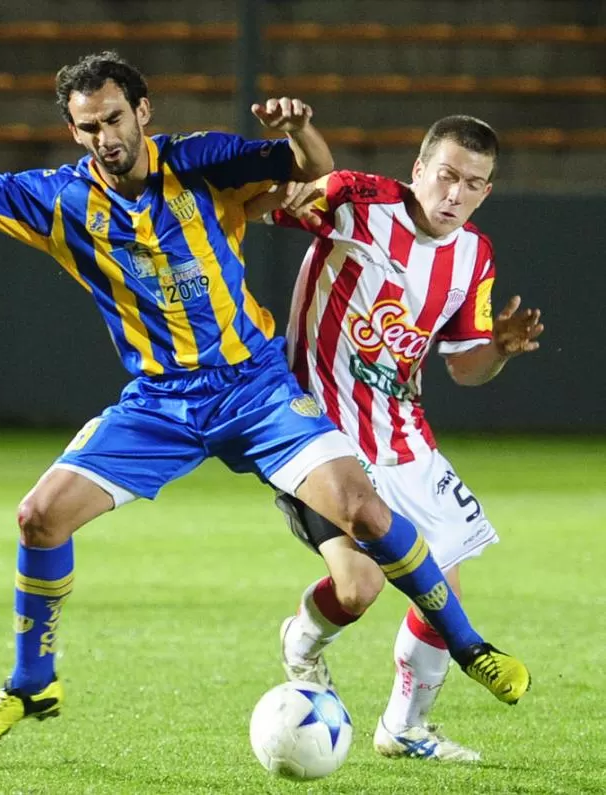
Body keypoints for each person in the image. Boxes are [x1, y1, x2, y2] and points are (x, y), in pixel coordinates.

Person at [0, 52, 530, 747]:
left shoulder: (200, 161)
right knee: (38, 517)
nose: (105, 137)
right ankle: (31, 682)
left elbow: (301, 167)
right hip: (160, 404)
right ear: (73, 130)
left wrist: (297, 132)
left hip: (256, 388)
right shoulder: (61, 198)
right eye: (87, 127)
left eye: (114, 118)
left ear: (142, 112)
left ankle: (472, 649)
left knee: (364, 510)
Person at [246, 115, 542, 762]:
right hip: (317, 429)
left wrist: (500, 349)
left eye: (473, 184)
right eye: (447, 176)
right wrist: (292, 169)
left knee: (445, 590)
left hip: (403, 438)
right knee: (359, 589)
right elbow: (278, 201)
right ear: (418, 170)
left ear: (486, 192)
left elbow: (465, 367)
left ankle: (404, 727)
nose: (456, 194)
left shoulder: (474, 255)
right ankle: (303, 638)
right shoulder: (360, 201)